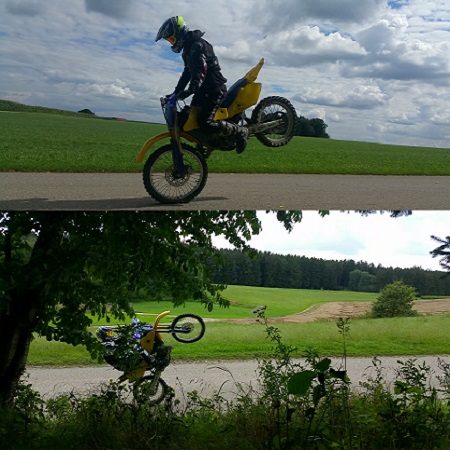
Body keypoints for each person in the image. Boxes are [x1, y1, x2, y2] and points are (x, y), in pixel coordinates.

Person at [155, 16, 248, 153]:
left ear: (180, 33)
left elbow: (201, 70)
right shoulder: (188, 50)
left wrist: (191, 89)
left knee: (204, 121)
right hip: (203, 91)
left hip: (214, 89)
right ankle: (204, 143)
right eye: (170, 40)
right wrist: (175, 93)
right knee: (189, 118)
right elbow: (187, 74)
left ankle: (240, 131)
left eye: (172, 39)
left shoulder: (197, 46)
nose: (172, 43)